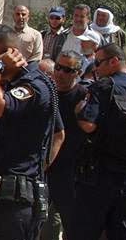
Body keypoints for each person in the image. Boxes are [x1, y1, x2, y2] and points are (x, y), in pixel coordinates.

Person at [0, 24, 63, 240]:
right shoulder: (17, 84)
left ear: (10, 54)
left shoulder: (33, 86)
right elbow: (59, 133)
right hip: (5, 195)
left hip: (17, 199)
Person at [70, 43, 126, 240]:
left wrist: (79, 109)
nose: (96, 68)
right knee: (124, 232)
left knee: (83, 231)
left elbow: (87, 124)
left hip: (99, 175)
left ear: (114, 61)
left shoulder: (104, 86)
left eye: (98, 62)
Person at [40, 50, 87, 240]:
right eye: (58, 68)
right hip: (45, 167)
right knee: (42, 223)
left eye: (67, 70)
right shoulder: (46, 93)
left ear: (78, 73)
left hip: (72, 171)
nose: (59, 73)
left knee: (72, 225)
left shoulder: (84, 96)